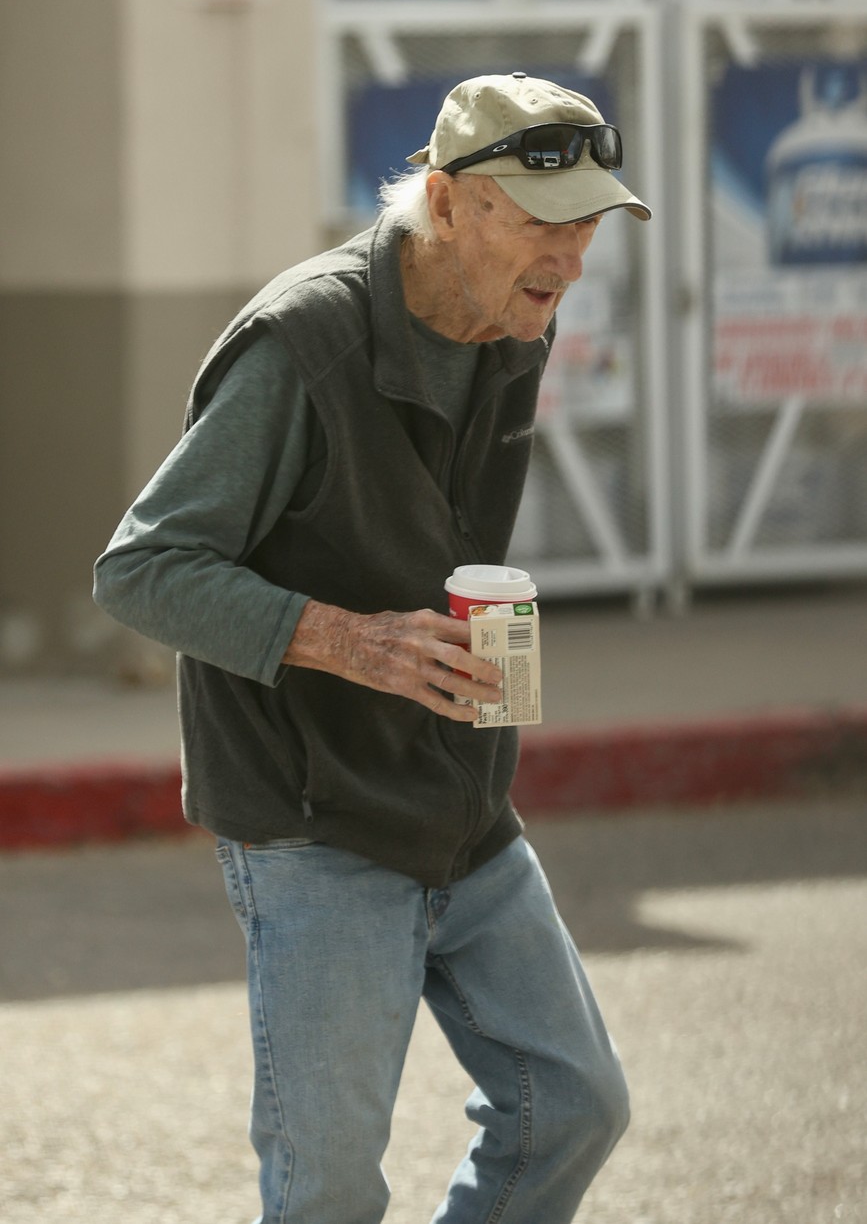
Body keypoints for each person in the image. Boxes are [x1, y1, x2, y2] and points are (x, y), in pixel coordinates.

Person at [94, 71, 650, 1224]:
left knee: (577, 1103)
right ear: (446, 204)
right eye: (545, 222)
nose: (571, 257)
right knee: (330, 1192)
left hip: (456, 799)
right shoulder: (302, 345)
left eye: (589, 224)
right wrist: (351, 641)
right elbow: (139, 568)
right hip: (313, 817)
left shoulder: (509, 320)